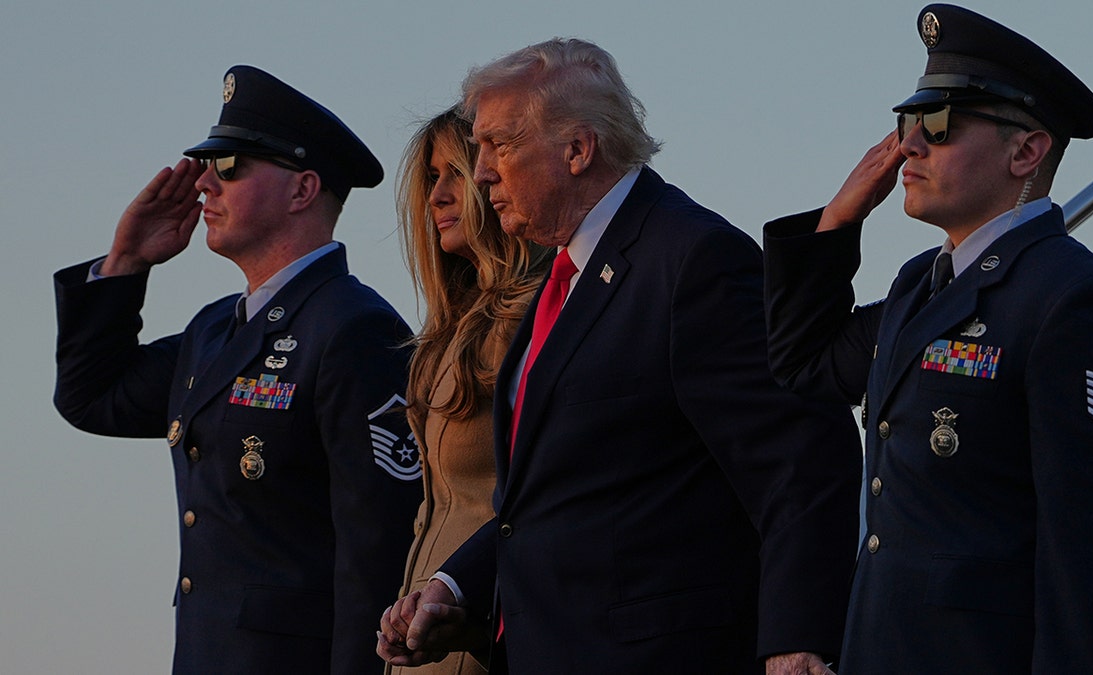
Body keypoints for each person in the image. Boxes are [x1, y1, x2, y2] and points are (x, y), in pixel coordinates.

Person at [377, 38, 862, 675]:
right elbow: (554, 498)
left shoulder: (692, 259)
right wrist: (456, 587)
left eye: (499, 145)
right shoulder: (565, 275)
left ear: (578, 150)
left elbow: (801, 459)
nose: (483, 172)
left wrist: (796, 643)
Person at [762, 5, 1093, 673]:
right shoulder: (921, 284)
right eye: (907, 122)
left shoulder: (1075, 298)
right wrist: (837, 222)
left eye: (939, 123)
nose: (911, 146)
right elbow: (805, 362)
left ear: (1025, 151)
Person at [53, 65, 424, 674]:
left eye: (228, 167)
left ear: (302, 190)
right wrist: (125, 261)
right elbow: (93, 397)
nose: (204, 184)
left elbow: (378, 553)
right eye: (205, 166)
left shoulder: (353, 328)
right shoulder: (214, 330)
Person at [384, 109, 551, 675]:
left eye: (455, 172)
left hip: (487, 641)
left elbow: (537, 504)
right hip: (422, 642)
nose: (437, 196)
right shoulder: (447, 331)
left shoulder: (535, 319)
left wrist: (464, 606)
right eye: (432, 178)